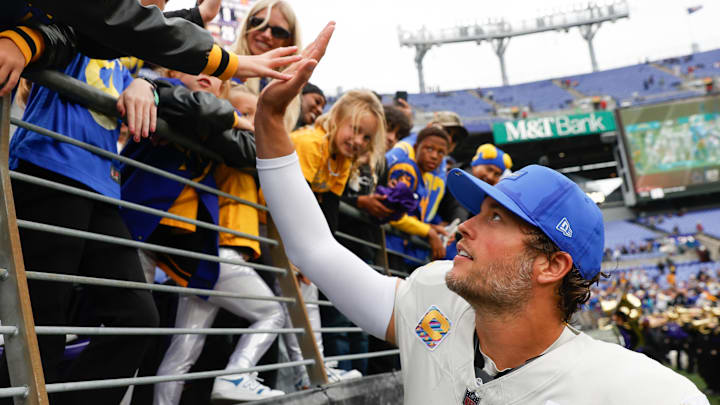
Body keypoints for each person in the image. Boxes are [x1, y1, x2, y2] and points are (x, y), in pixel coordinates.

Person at [253, 22, 710, 404]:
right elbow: (314, 249)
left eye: (495, 218)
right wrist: (271, 121)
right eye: (478, 211)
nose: (464, 227)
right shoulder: (434, 296)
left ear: (552, 264)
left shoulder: (643, 392)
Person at [0, 51, 160, 405]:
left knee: (138, 318)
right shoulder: (89, 24)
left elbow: (165, 47)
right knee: (41, 329)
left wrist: (146, 84)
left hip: (103, 189)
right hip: (49, 169)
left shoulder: (128, 58)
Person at [0, 0, 301, 96]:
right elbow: (117, 21)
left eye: (278, 30)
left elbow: (85, 33)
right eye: (259, 23)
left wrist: (27, 40)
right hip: (50, 159)